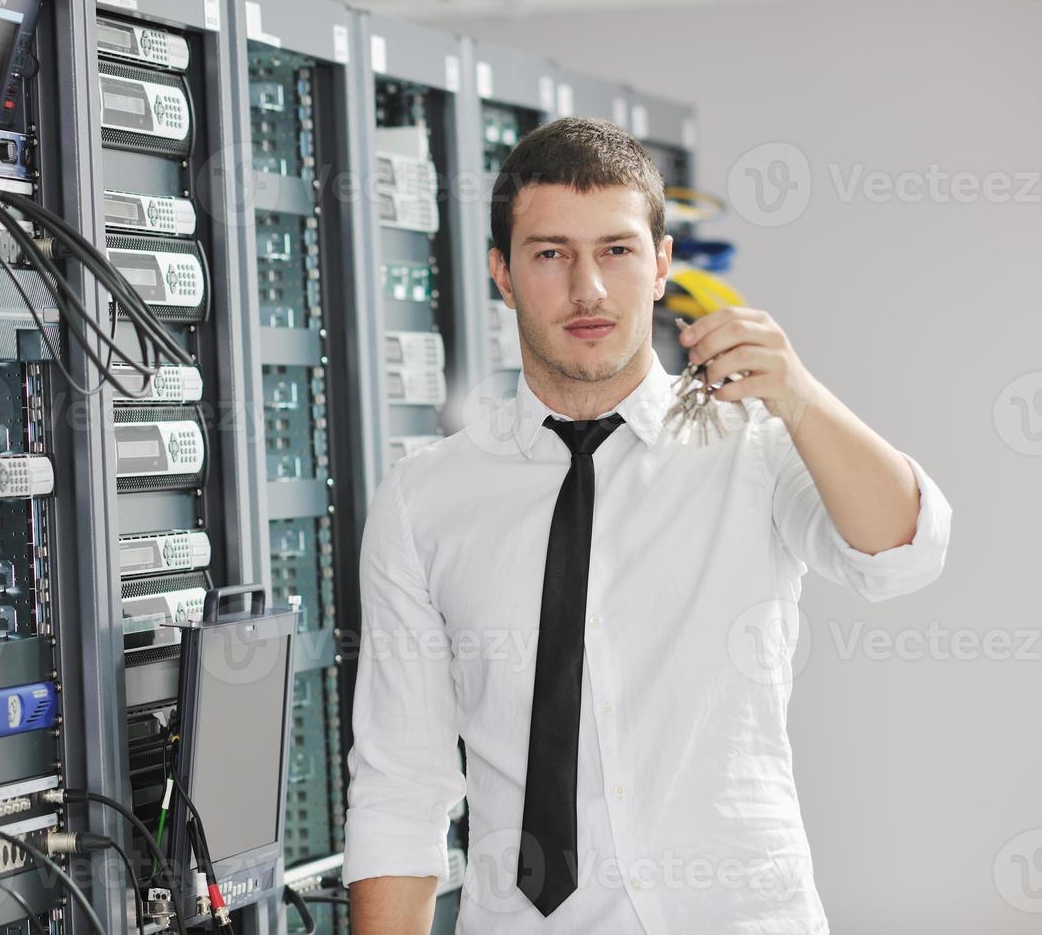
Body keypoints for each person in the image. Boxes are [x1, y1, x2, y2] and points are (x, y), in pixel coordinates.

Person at [342, 117, 952, 934]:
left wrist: (801, 395)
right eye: (551, 253)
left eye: (617, 250)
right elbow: (399, 784)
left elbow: (902, 553)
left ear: (662, 263)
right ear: (503, 274)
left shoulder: (757, 446)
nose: (587, 287)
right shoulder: (426, 500)